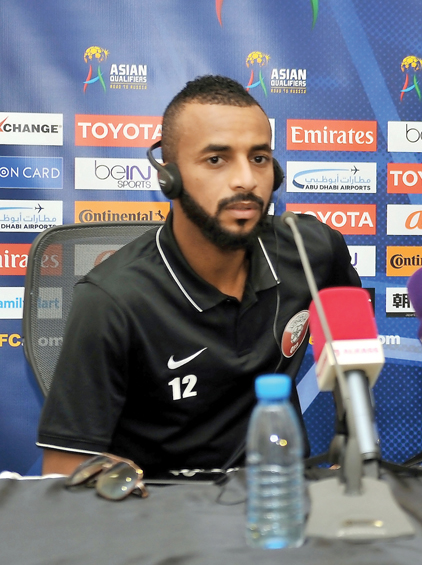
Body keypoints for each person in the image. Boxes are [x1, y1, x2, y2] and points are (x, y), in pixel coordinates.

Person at [37, 75, 360, 476]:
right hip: (166, 516)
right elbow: (62, 467)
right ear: (168, 177)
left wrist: (353, 452)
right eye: (216, 159)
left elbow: (354, 357)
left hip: (280, 499)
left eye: (259, 158)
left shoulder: (313, 251)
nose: (245, 179)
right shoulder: (111, 300)